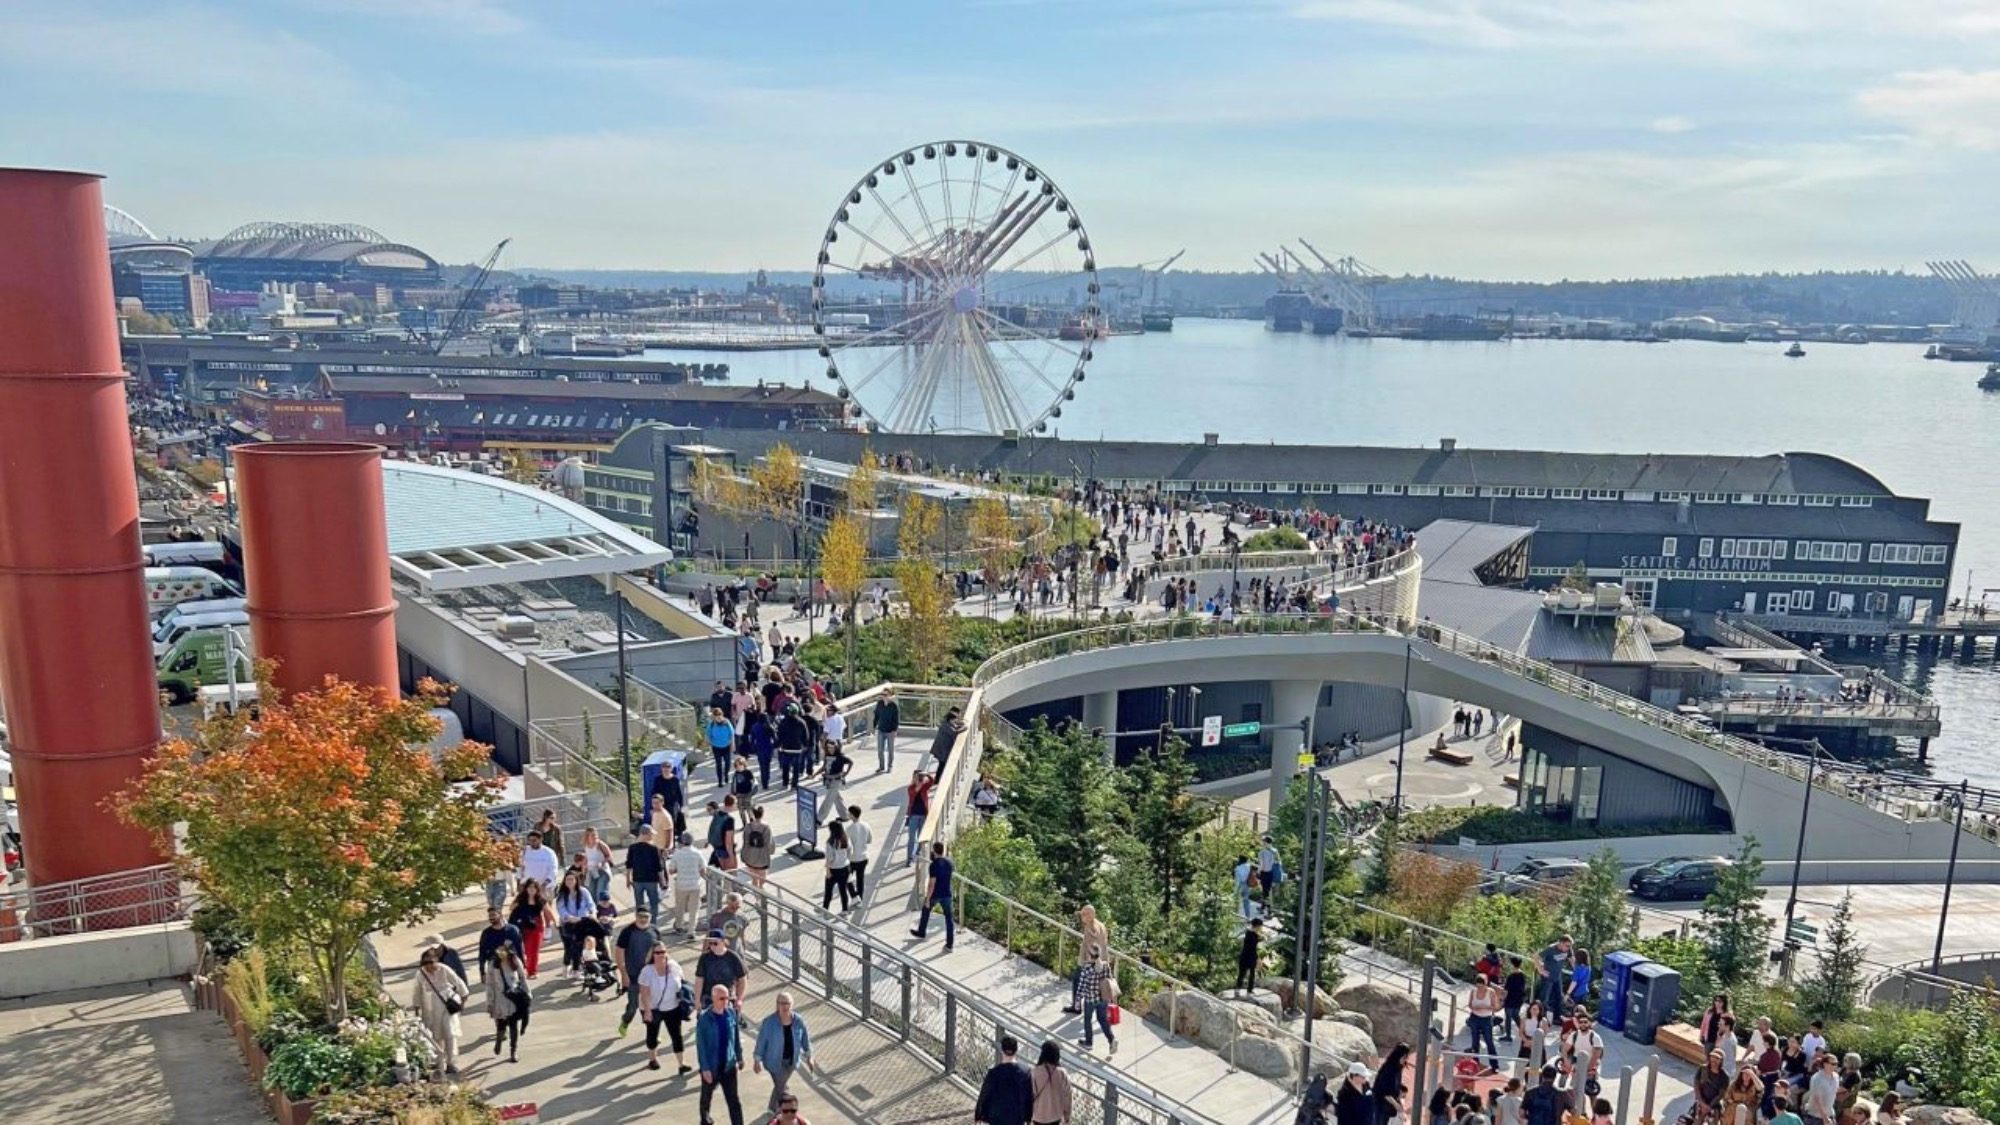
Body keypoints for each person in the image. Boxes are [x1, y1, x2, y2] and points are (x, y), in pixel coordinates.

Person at [752, 991, 814, 1114]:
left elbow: (805, 1039)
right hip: (774, 1062)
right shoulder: (769, 1022)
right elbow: (761, 1042)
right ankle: (788, 1110)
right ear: (777, 1005)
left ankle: (772, 1107)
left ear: (792, 1004)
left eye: (788, 1003)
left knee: (780, 1084)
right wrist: (757, 1060)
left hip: (791, 1061)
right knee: (783, 1087)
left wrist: (809, 1057)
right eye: (782, 1003)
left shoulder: (798, 1021)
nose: (785, 1006)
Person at [412, 946, 471, 1076]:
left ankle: (451, 1062)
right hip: (430, 1007)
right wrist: (417, 1009)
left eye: (431, 962)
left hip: (446, 1005)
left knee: (449, 1033)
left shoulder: (444, 969)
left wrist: (463, 1000)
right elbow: (417, 992)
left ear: (436, 960)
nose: (429, 966)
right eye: (425, 963)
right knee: (436, 1035)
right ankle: (439, 1063)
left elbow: (459, 983)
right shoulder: (420, 974)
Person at [637, 944, 692, 1074]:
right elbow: (644, 992)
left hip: (672, 1007)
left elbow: (682, 983)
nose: (661, 955)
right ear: (652, 955)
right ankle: (652, 1059)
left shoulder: (674, 966)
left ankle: (681, 1064)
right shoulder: (647, 971)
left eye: (663, 952)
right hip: (653, 1008)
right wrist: (648, 1011)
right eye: (657, 952)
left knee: (676, 1036)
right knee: (652, 1034)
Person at [697, 984, 746, 1125]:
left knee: (734, 1101)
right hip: (712, 1066)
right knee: (706, 1099)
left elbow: (735, 1038)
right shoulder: (705, 1019)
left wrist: (739, 1057)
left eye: (727, 998)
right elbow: (701, 1046)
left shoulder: (731, 1014)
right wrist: (705, 1068)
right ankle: (705, 1121)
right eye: (721, 998)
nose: (725, 1001)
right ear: (713, 998)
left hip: (728, 1065)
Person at [615, 906, 663, 1037]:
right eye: (640, 916)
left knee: (650, 1006)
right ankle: (625, 1021)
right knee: (633, 1006)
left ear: (650, 917)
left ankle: (651, 1033)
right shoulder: (627, 932)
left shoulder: (655, 931)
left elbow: (661, 951)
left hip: (651, 976)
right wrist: (623, 974)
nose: (643, 919)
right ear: (636, 916)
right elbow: (619, 952)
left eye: (646, 917)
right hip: (633, 976)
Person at [975, 1034, 1035, 1125]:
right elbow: (1029, 1097)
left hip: (997, 1117)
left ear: (1002, 1051)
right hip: (1017, 1117)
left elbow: (985, 1095)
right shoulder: (1026, 1072)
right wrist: (1028, 1117)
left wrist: (979, 1115)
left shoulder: (994, 1073)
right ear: (1016, 1050)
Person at [909, 840, 956, 952]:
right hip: (947, 893)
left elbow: (931, 884)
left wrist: (928, 898)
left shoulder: (934, 865)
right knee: (949, 918)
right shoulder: (950, 862)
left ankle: (921, 932)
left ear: (934, 851)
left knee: (926, 910)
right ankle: (950, 944)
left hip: (936, 894)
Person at [486, 944, 530, 1063]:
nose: (502, 955)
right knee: (501, 1024)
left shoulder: (515, 960)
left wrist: (528, 993)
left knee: (513, 1025)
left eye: (503, 952)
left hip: (514, 997)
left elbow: (522, 977)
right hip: (500, 999)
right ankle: (499, 1040)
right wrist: (490, 1002)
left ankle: (513, 1051)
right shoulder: (493, 964)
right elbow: (489, 984)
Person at [509, 879, 556, 978]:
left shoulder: (540, 899)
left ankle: (532, 972)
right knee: (524, 950)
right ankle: (524, 967)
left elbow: (548, 911)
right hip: (522, 926)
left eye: (534, 887)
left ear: (537, 889)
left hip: (536, 926)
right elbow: (511, 908)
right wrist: (517, 904)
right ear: (526, 888)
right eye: (529, 887)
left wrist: (555, 923)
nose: (531, 889)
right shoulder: (521, 898)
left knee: (533, 950)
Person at [1074, 948, 1117, 1054]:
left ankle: (1089, 1043)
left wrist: (1078, 1000)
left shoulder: (1087, 969)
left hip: (1090, 999)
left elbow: (1082, 986)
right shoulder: (1106, 966)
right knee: (1102, 1019)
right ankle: (1112, 1039)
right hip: (1103, 998)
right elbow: (1110, 980)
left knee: (1087, 1020)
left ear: (1090, 956)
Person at [555, 870, 595, 977]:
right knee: (569, 947)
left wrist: (592, 913)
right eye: (568, 879)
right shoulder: (562, 894)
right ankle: (566, 965)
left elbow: (591, 905)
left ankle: (576, 970)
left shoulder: (584, 892)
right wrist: (569, 917)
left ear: (576, 880)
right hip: (567, 924)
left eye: (572, 879)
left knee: (578, 946)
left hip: (582, 924)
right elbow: (561, 909)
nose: (570, 881)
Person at [696, 930, 750, 1007]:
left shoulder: (733, 957)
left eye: (715, 943)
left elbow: (742, 979)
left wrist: (739, 999)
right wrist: (697, 1000)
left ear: (723, 942)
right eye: (710, 943)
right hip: (708, 997)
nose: (712, 946)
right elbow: (699, 979)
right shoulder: (704, 958)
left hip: (727, 997)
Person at [626, 825, 665, 922]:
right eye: (651, 834)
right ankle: (653, 922)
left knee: (639, 904)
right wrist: (662, 881)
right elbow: (659, 867)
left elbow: (629, 864)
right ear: (645, 834)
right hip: (651, 880)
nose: (652, 836)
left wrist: (628, 878)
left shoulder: (632, 848)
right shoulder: (654, 848)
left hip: (637, 880)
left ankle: (640, 921)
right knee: (654, 903)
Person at [1030, 1040, 1074, 1125]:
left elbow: (1030, 1094)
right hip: (1056, 1116)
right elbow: (1068, 1095)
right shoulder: (1061, 1073)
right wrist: (1067, 1116)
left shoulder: (1035, 1072)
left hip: (1038, 1116)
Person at [477, 908, 525, 982]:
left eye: (493, 915)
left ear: (501, 915)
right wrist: (482, 972)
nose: (491, 917)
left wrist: (523, 965)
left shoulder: (512, 930)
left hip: (511, 964)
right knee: (498, 991)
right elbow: (482, 953)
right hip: (495, 965)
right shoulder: (486, 933)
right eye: (489, 915)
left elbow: (520, 949)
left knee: (517, 988)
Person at [1467, 972, 1502, 1072]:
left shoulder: (1490, 992)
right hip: (1474, 1017)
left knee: (1489, 1042)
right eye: (1478, 985)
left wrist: (1485, 1007)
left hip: (1486, 1019)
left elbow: (1496, 1006)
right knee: (1475, 1042)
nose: (1480, 987)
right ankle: (1474, 1063)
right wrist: (1474, 1007)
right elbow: (1469, 1004)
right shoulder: (1473, 991)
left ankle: (1494, 1065)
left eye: (1481, 985)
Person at [1373, 1043, 1411, 1125]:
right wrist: (1398, 1106)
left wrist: (1402, 1089)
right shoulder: (1388, 1069)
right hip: (1380, 1104)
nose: (1406, 1060)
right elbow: (1386, 1092)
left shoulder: (1398, 1067)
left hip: (1387, 1106)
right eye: (1405, 1057)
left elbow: (1395, 1084)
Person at [903, 769, 935, 866]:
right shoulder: (911, 788)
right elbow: (915, 791)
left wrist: (927, 775)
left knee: (921, 837)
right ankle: (909, 858)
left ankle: (918, 852)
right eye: (916, 776)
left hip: (923, 815)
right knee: (912, 838)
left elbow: (932, 781)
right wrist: (918, 782)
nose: (919, 778)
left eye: (919, 776)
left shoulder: (925, 787)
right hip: (913, 816)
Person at [821, 820, 852, 912]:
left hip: (834, 869)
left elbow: (830, 858)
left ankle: (825, 910)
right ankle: (845, 910)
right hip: (845, 868)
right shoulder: (846, 839)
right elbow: (850, 852)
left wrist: (828, 871)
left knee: (828, 891)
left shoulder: (830, 843)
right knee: (843, 891)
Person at [578, 826, 615, 904]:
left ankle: (602, 909)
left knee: (600, 891)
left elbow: (609, 856)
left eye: (595, 835)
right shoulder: (585, 845)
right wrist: (583, 868)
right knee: (591, 891)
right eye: (591, 835)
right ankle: (594, 911)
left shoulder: (600, 844)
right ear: (587, 836)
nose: (594, 837)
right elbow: (587, 857)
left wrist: (602, 862)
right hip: (591, 871)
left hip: (602, 871)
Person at [1537, 935, 1573, 1011]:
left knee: (1559, 997)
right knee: (1544, 998)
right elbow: (1536, 957)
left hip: (1558, 976)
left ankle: (1557, 1017)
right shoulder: (1551, 949)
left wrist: (1576, 971)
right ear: (1560, 943)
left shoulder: (1568, 949)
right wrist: (1541, 970)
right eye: (1567, 946)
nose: (1568, 948)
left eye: (1570, 946)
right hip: (1548, 977)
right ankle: (1541, 1016)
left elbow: (1571, 959)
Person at [741, 805, 774, 888]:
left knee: (754, 879)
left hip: (750, 856)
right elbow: (769, 844)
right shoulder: (766, 827)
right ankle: (762, 894)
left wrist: (743, 855)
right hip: (762, 857)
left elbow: (745, 842)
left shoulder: (748, 827)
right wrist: (770, 852)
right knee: (762, 880)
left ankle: (757, 898)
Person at [1696, 1050, 1731, 1125]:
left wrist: (1709, 1106)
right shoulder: (1702, 1069)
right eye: (1712, 1057)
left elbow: (1721, 1094)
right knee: (1697, 1120)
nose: (1714, 1060)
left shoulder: (1724, 1077)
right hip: (1701, 1100)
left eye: (1717, 1058)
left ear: (1721, 1061)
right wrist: (1702, 1103)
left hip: (1714, 1104)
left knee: (1713, 1120)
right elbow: (1697, 1087)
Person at [845, 805, 873, 899]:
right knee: (860, 880)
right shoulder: (866, 825)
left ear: (852, 815)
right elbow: (869, 840)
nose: (848, 815)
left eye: (849, 813)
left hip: (853, 858)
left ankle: (854, 896)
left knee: (847, 878)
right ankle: (860, 898)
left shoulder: (849, 829)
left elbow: (846, 845)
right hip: (864, 857)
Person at [820, 742, 852, 820]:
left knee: (828, 800)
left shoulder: (840, 757)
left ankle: (819, 818)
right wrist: (815, 774)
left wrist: (846, 773)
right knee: (836, 798)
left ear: (836, 748)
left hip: (836, 780)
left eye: (832, 747)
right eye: (828, 747)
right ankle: (845, 816)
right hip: (828, 780)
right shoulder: (827, 756)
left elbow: (851, 762)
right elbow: (824, 767)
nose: (830, 749)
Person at [872, 686, 901, 774]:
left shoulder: (894, 706)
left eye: (886, 694)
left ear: (890, 695)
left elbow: (896, 719)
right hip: (881, 729)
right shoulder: (880, 704)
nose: (884, 696)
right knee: (880, 750)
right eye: (883, 694)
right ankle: (881, 766)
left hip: (890, 731)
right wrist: (874, 727)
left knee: (890, 750)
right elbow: (876, 715)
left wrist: (895, 730)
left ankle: (889, 766)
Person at [930, 706, 966, 774]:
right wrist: (964, 728)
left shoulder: (947, 720)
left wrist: (960, 724)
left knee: (942, 765)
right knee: (942, 765)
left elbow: (955, 726)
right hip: (942, 748)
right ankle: (937, 781)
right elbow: (954, 732)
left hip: (942, 747)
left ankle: (938, 780)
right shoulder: (946, 724)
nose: (956, 720)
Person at [708, 706, 737, 787]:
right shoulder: (711, 724)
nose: (719, 718)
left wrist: (733, 745)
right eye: (716, 717)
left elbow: (732, 734)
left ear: (722, 715)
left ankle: (726, 774)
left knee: (727, 763)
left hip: (726, 746)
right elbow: (708, 736)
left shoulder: (727, 723)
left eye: (720, 716)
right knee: (719, 764)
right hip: (716, 747)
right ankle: (720, 781)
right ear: (714, 717)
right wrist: (710, 747)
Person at [1502, 957, 1528, 1043]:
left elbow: (1506, 990)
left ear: (1512, 964)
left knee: (1508, 1018)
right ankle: (1524, 1032)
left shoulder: (1510, 977)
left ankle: (1508, 1036)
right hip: (1519, 999)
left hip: (1510, 999)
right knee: (1516, 1016)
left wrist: (1502, 999)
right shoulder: (1523, 976)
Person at [1236, 917, 1264, 993]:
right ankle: (1249, 989)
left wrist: (1260, 938)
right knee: (1250, 973)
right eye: (1260, 926)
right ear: (1257, 926)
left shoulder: (1249, 932)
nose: (1261, 928)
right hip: (1250, 956)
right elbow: (1252, 947)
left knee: (1242, 973)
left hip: (1244, 955)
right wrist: (1257, 958)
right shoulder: (1253, 935)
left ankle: (1238, 988)